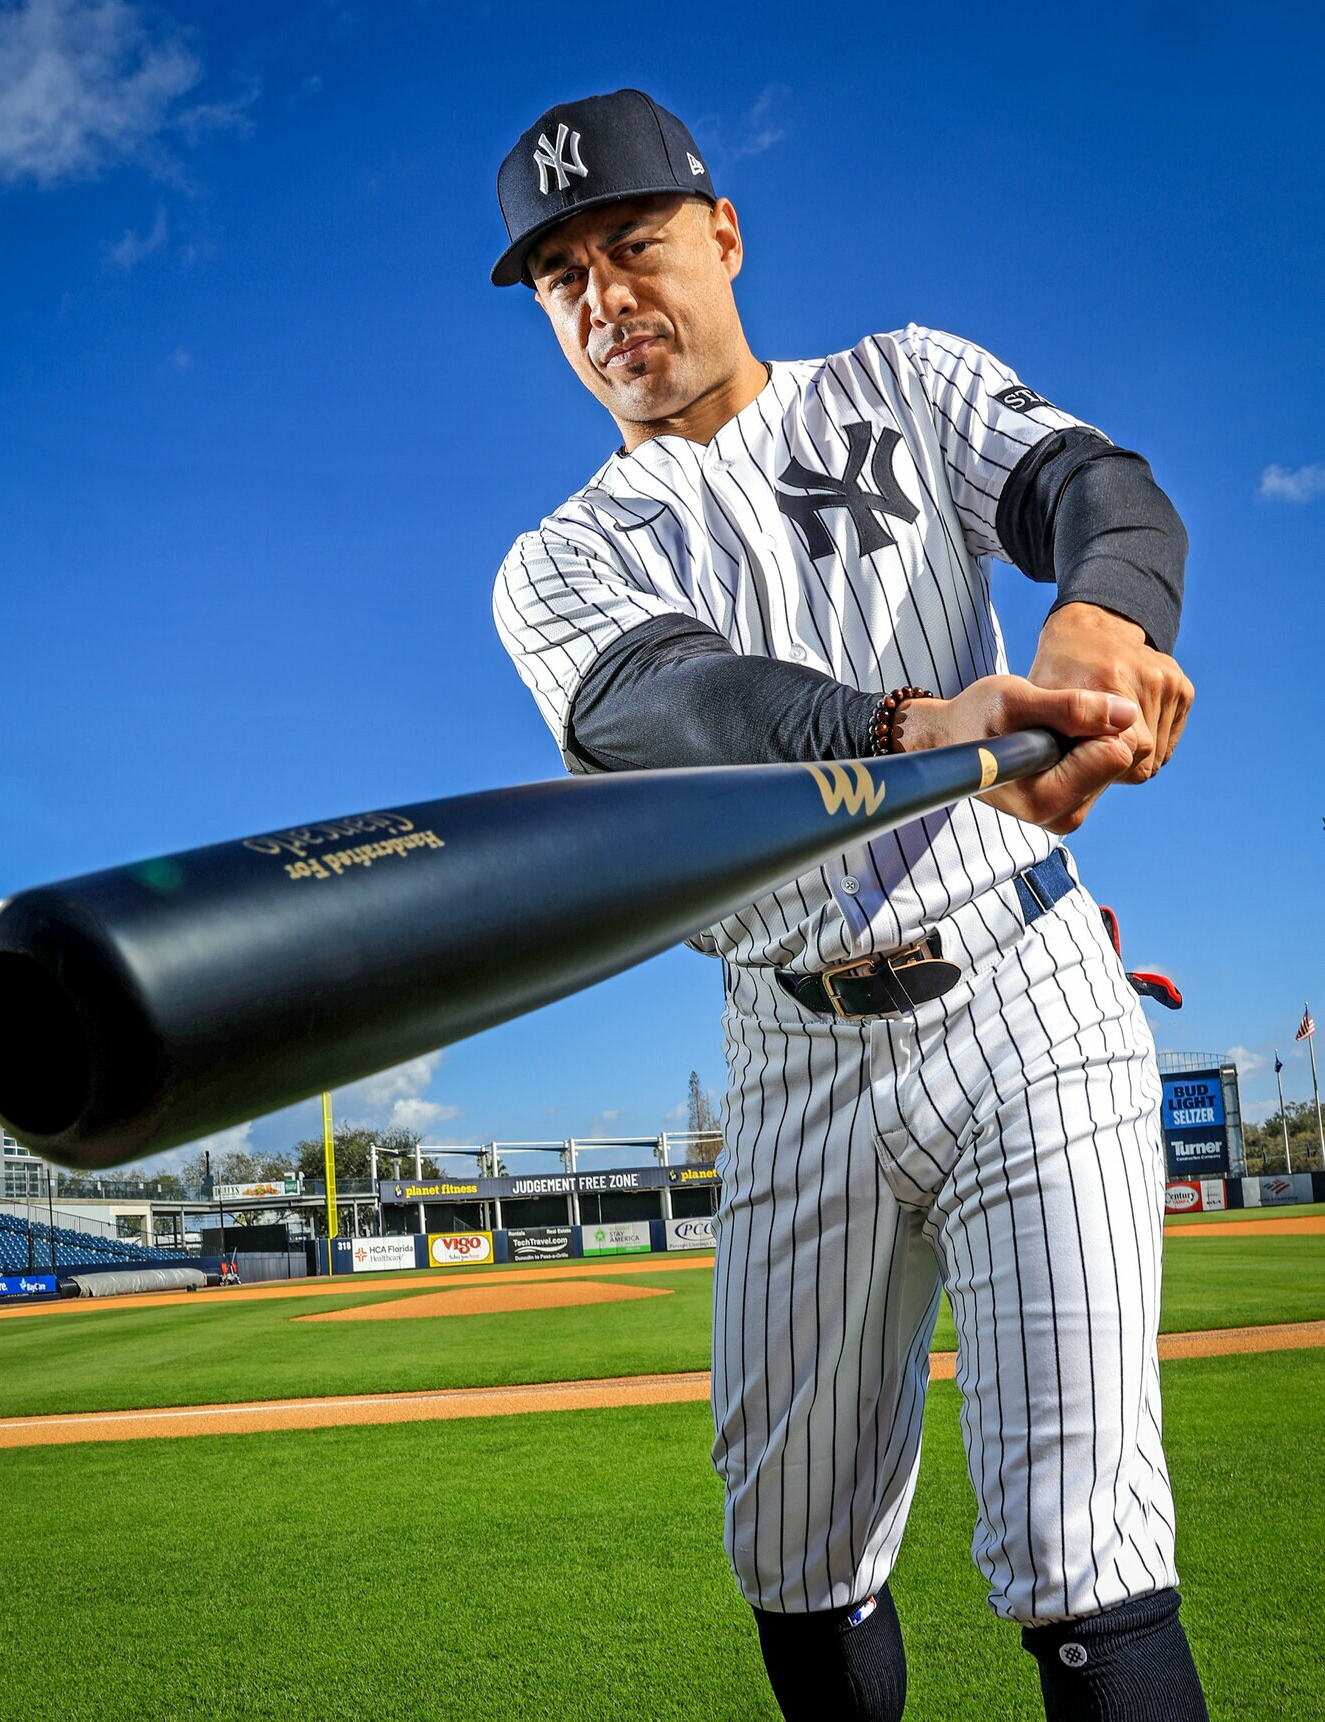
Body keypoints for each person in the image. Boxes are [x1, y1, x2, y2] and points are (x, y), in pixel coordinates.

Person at [490, 89, 1204, 1722]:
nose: (605, 296)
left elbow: (1101, 485)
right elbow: (672, 704)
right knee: (796, 1552)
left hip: (1023, 992)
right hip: (792, 1045)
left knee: (1082, 1535)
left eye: (634, 244)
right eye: (560, 276)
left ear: (723, 234)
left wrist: (1102, 615)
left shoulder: (905, 379)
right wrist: (909, 725)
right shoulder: (559, 559)